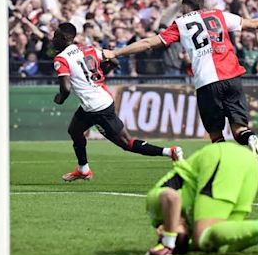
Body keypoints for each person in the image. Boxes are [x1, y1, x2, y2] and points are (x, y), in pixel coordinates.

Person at [103, 0, 258, 163]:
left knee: (215, 135)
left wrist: (117, 53)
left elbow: (148, 43)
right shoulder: (219, 15)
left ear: (187, 5)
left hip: (207, 82)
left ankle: (223, 164)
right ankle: (250, 139)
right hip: (232, 77)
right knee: (239, 129)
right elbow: (254, 24)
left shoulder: (181, 23)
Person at [52, 23, 183, 182]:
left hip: (98, 108)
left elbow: (65, 88)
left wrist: (60, 98)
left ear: (65, 38)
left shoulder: (61, 58)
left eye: (56, 36)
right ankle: (83, 169)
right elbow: (114, 61)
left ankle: (170, 152)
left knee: (127, 143)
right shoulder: (88, 48)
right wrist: (98, 76)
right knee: (74, 130)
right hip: (94, 103)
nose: (53, 40)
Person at [145, 142, 258, 255]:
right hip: (248, 164)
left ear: (162, 227)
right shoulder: (188, 225)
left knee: (202, 237)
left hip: (218, 159)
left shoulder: (156, 211)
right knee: (223, 243)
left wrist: (168, 242)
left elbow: (171, 197)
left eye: (162, 233)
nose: (159, 233)